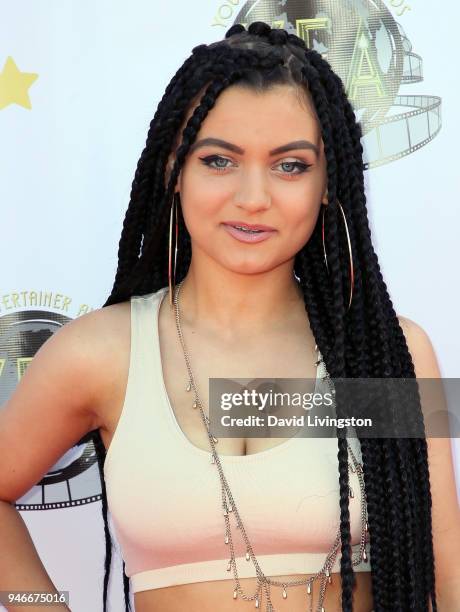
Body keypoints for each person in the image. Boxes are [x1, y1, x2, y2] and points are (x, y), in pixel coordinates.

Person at [1, 20, 459, 612]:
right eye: (219, 160)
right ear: (175, 168)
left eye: (290, 165)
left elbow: (444, 572)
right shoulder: (101, 353)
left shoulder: (388, 351)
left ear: (328, 183)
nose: (252, 197)